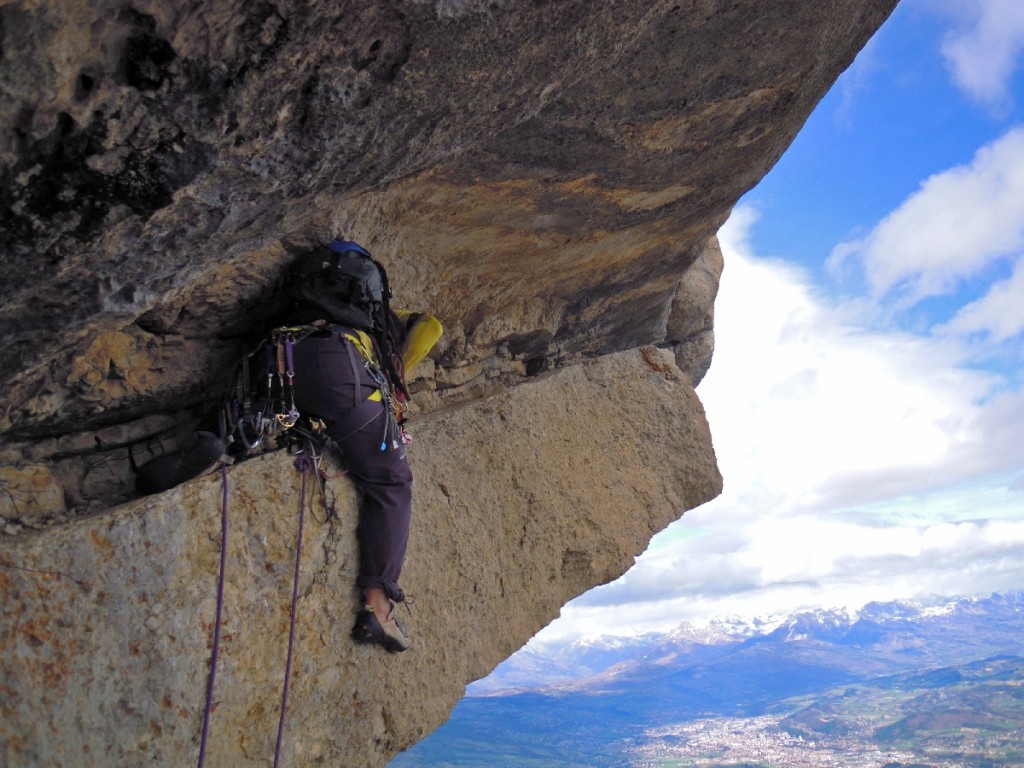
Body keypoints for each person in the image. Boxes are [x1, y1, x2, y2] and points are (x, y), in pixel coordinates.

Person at [287, 240, 442, 653]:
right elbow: (430, 327)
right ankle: (378, 609)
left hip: (281, 360)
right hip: (341, 372)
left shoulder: (300, 305)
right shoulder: (376, 321)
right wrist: (398, 371)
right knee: (392, 485)